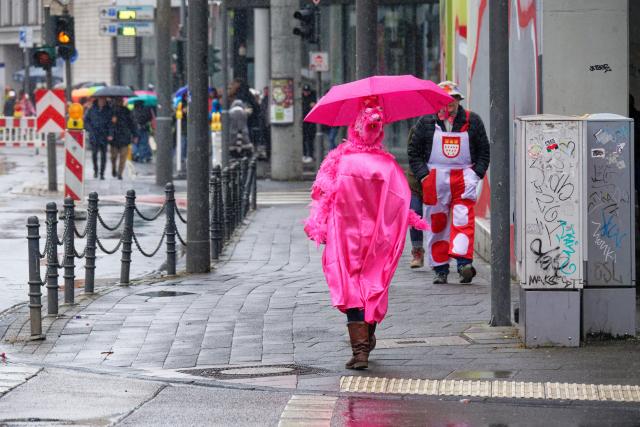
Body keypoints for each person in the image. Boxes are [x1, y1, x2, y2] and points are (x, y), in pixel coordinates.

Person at [304, 96, 428, 370]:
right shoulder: (388, 167)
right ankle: (366, 338)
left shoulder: (339, 163)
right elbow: (401, 203)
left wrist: (320, 227)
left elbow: (321, 195)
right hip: (378, 239)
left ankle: (360, 350)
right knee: (372, 285)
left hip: (344, 239)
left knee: (350, 288)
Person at [407, 81, 490, 284]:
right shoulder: (425, 122)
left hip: (464, 177)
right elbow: (414, 152)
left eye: (453, 100)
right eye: (444, 100)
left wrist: (475, 175)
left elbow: (484, 152)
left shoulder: (473, 121)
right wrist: (424, 176)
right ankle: (440, 268)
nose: (448, 104)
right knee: (437, 223)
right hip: (435, 179)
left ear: (458, 101)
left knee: (463, 220)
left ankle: (464, 265)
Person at [406, 127, 426, 269]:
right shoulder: (416, 129)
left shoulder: (446, 130)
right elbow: (411, 154)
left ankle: (442, 256)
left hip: (438, 180)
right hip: (415, 181)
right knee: (415, 212)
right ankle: (417, 251)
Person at [108, 97, 137, 180]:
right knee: (113, 157)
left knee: (123, 157)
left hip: (125, 137)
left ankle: (120, 173)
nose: (119, 102)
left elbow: (132, 124)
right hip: (114, 138)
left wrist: (135, 135)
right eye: (118, 100)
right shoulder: (111, 111)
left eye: (120, 100)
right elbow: (108, 124)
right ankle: (114, 168)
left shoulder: (127, 111)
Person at [85, 96, 113, 180]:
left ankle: (102, 173)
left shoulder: (108, 110)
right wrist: (90, 130)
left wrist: (110, 134)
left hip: (104, 135)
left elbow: (110, 124)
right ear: (98, 100)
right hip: (94, 135)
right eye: (101, 100)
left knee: (103, 155)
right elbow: (86, 120)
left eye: (104, 100)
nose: (102, 101)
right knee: (94, 154)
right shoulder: (92, 109)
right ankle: (95, 170)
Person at [301, 84, 317, 163]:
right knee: (303, 139)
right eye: (305, 91)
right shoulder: (301, 98)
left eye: (307, 91)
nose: (306, 93)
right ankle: (304, 154)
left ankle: (310, 155)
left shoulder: (313, 97)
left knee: (310, 139)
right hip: (303, 122)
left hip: (311, 122)